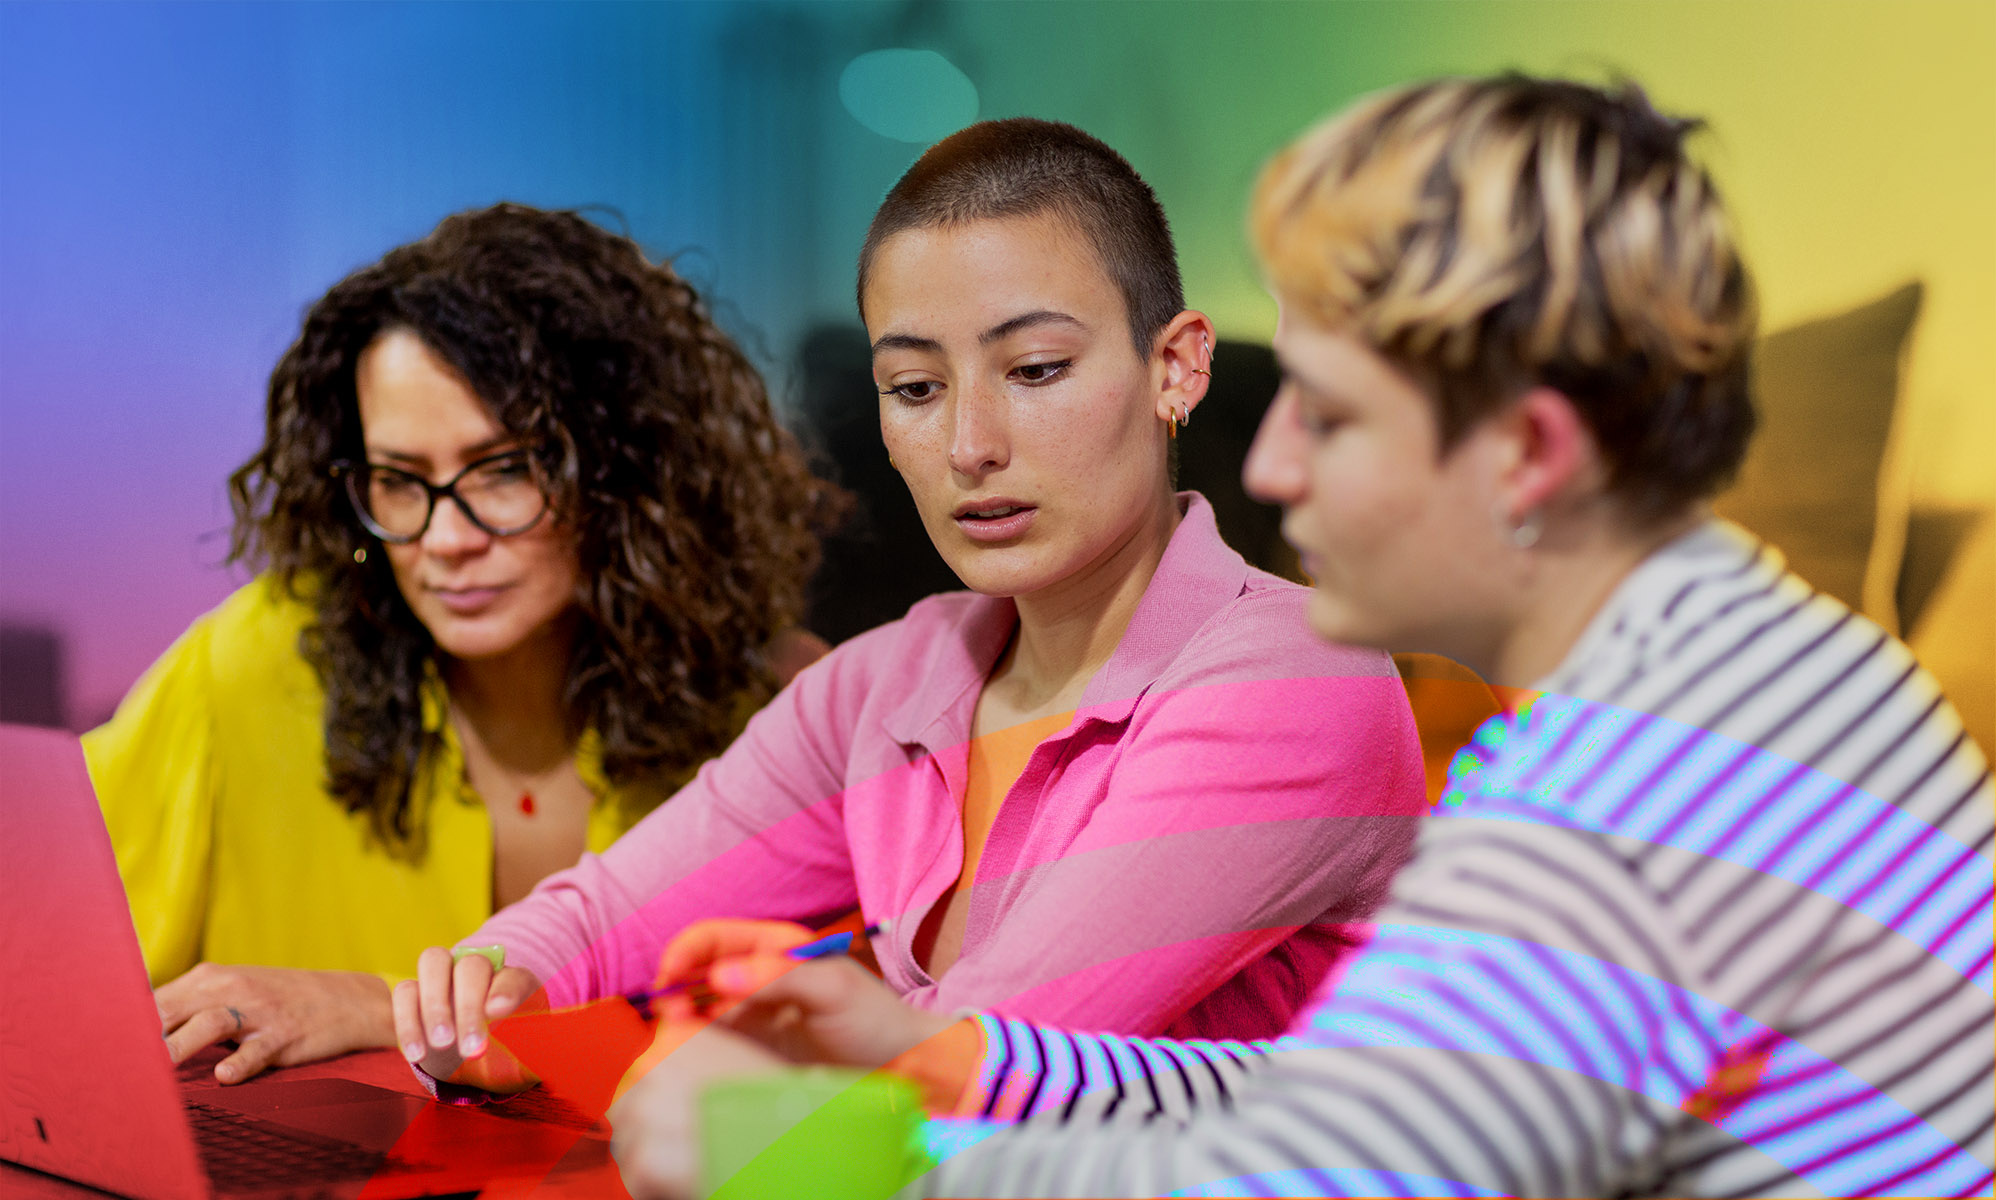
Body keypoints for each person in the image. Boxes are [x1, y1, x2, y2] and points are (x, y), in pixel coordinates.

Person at [606, 78, 1996, 1198]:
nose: (1268, 466)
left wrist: (820, 1149)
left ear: (1526, 451)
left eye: (1328, 414)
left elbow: (1302, 1179)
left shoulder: (1634, 801)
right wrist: (956, 1057)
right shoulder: (1731, 662)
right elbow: (1341, 1079)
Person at [401, 119, 1426, 1090]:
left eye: (1035, 369)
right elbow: (611, 915)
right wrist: (486, 992)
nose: (970, 445)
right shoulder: (889, 683)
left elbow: (984, 1056)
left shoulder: (1295, 676)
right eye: (915, 387)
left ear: (1174, 365)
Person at [83, 203, 838, 1085]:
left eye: (506, 468)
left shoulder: (775, 711)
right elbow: (41, 971)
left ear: (624, 470)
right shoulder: (252, 662)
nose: (444, 539)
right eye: (400, 481)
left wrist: (377, 1010)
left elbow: (812, 1065)